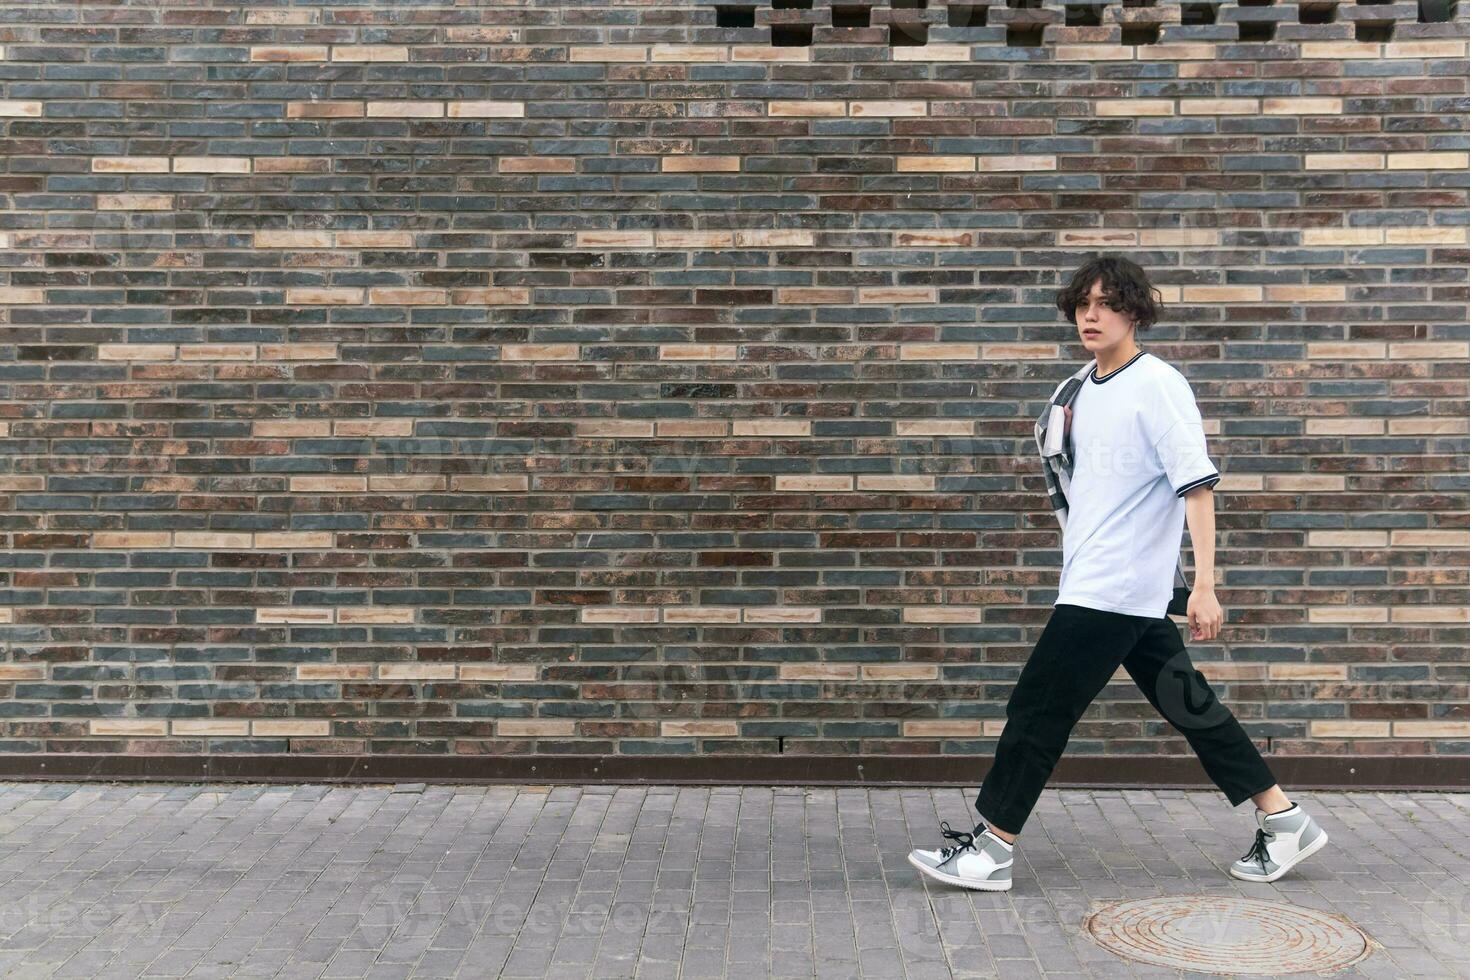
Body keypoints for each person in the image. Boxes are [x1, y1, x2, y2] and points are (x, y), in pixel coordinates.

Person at [908, 256, 1329, 891]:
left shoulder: (1158, 384)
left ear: (1134, 310)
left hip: (1115, 585)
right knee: (1191, 706)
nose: (1091, 315)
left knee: (1038, 710)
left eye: (1106, 304)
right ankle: (1285, 820)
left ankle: (992, 848)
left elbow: (1197, 486)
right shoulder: (1076, 389)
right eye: (1082, 304)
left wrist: (1206, 586)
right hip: (1104, 577)